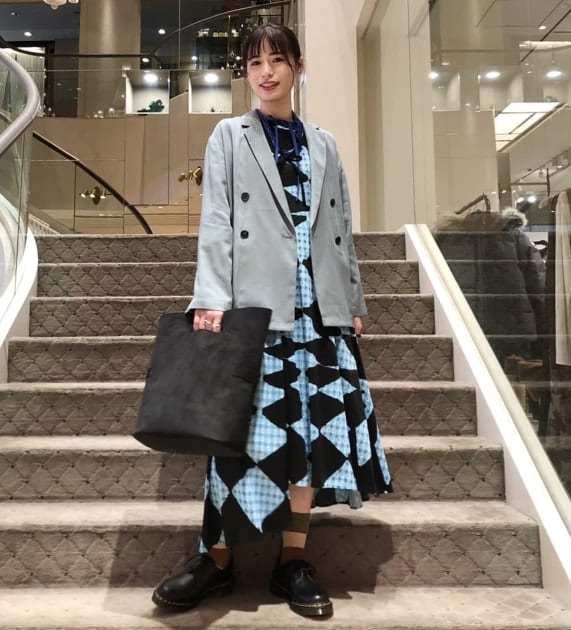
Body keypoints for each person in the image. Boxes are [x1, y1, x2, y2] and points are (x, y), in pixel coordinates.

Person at [152, 23, 392, 619]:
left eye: (277, 60)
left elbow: (340, 230)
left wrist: (352, 302)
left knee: (312, 435)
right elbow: (216, 220)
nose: (266, 71)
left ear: (297, 66)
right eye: (255, 61)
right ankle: (217, 560)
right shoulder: (229, 136)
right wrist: (210, 298)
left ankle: (293, 561)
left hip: (320, 310)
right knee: (239, 433)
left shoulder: (324, 143)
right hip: (258, 307)